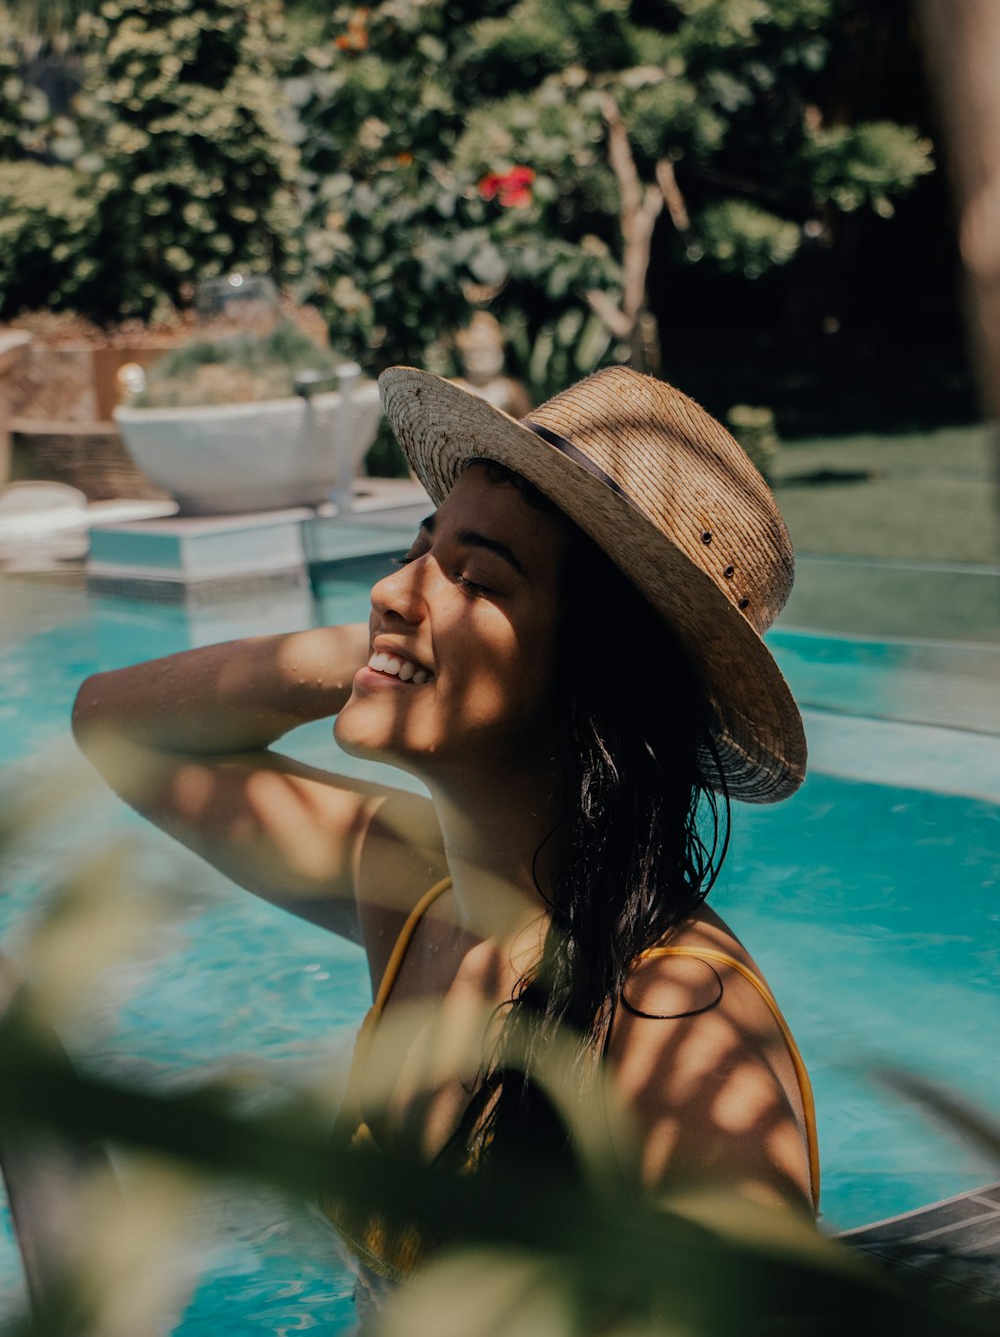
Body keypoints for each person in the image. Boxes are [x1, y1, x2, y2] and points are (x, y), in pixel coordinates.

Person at [72, 363, 818, 1307]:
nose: (391, 589)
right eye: (417, 550)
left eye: (479, 574)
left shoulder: (683, 1033)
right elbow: (116, 727)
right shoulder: (419, 895)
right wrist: (396, 649)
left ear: (597, 679)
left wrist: (422, 650)